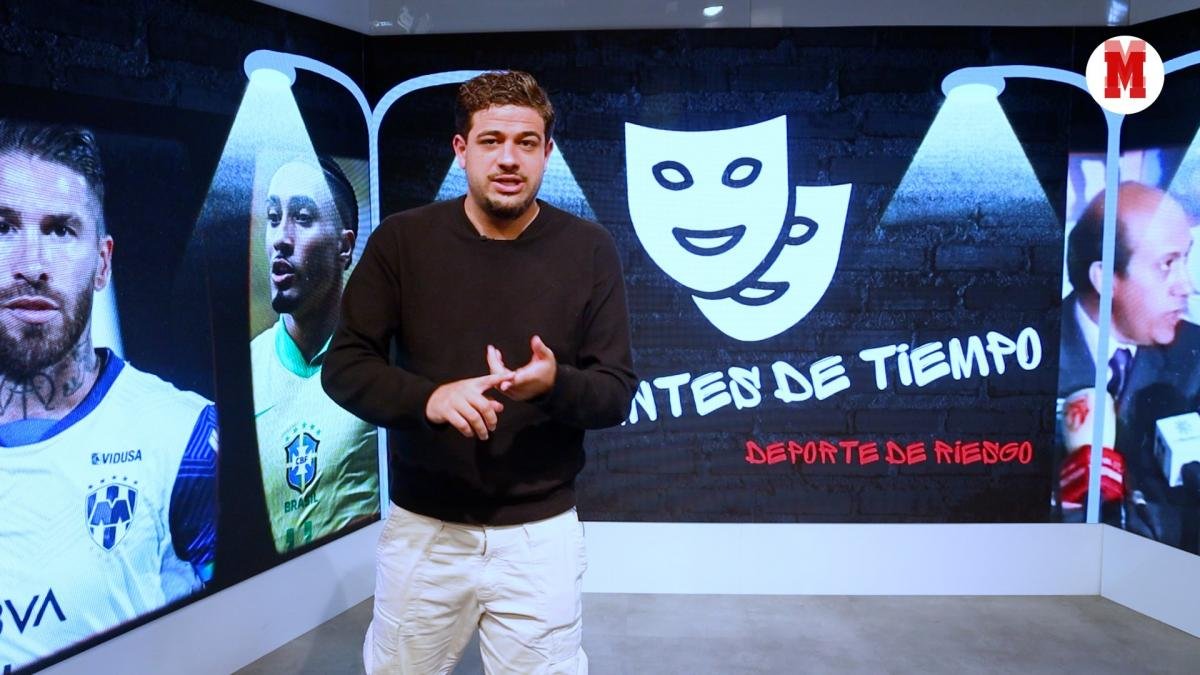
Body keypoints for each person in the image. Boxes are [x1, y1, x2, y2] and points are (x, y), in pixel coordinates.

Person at [322, 71, 637, 674]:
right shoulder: (402, 242)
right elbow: (346, 365)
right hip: (426, 531)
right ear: (461, 150)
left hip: (540, 537)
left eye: (526, 142)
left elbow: (615, 392)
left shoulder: (589, 249)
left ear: (547, 152)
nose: (509, 158)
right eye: (491, 141)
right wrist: (430, 399)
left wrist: (555, 383)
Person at [0, 120, 217, 673]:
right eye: (3, 226)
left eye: (60, 230)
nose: (31, 264)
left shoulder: (185, 439)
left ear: (102, 263)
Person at [1057, 181, 1200, 550]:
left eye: (1185, 260)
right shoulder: (1030, 358)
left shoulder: (1194, 355)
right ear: (1105, 278)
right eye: (1167, 264)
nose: (1187, 286)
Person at [251, 155, 379, 554]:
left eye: (303, 218)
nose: (281, 238)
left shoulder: (384, 359)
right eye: (274, 217)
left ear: (345, 246)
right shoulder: (246, 372)